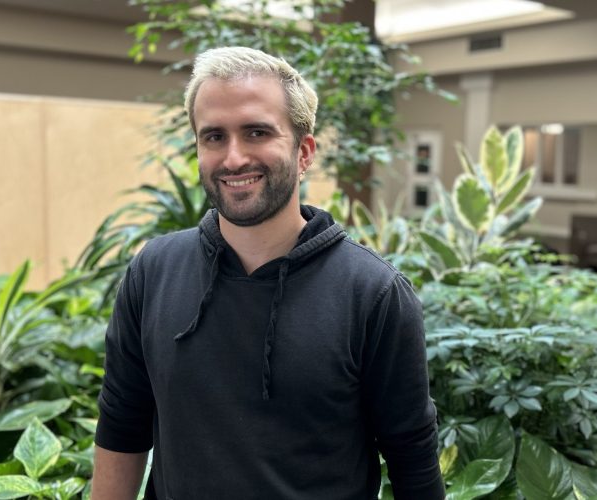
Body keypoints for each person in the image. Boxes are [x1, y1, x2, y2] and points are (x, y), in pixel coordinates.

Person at [91, 46, 444, 500]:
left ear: (304, 152)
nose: (234, 158)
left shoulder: (373, 293)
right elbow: (123, 423)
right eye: (213, 136)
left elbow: (412, 457)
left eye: (256, 132)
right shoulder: (153, 270)